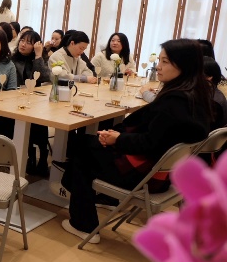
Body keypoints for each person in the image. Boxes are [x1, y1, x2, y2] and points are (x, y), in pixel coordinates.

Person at [52, 39, 212, 244]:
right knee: (88, 143)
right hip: (165, 174)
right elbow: (157, 136)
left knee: (83, 151)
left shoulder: (175, 101)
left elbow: (150, 143)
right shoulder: (196, 95)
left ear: (184, 65)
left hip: (145, 177)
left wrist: (118, 139)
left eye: (165, 62)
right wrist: (117, 137)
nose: (158, 66)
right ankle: (90, 194)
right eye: (159, 60)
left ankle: (82, 223)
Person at [11, 29, 52, 175]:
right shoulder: (12, 59)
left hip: (35, 100)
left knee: (39, 122)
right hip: (15, 100)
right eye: (22, 41)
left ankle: (42, 154)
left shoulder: (39, 59)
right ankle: (30, 155)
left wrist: (38, 56)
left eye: (28, 43)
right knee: (27, 121)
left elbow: (45, 77)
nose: (23, 44)